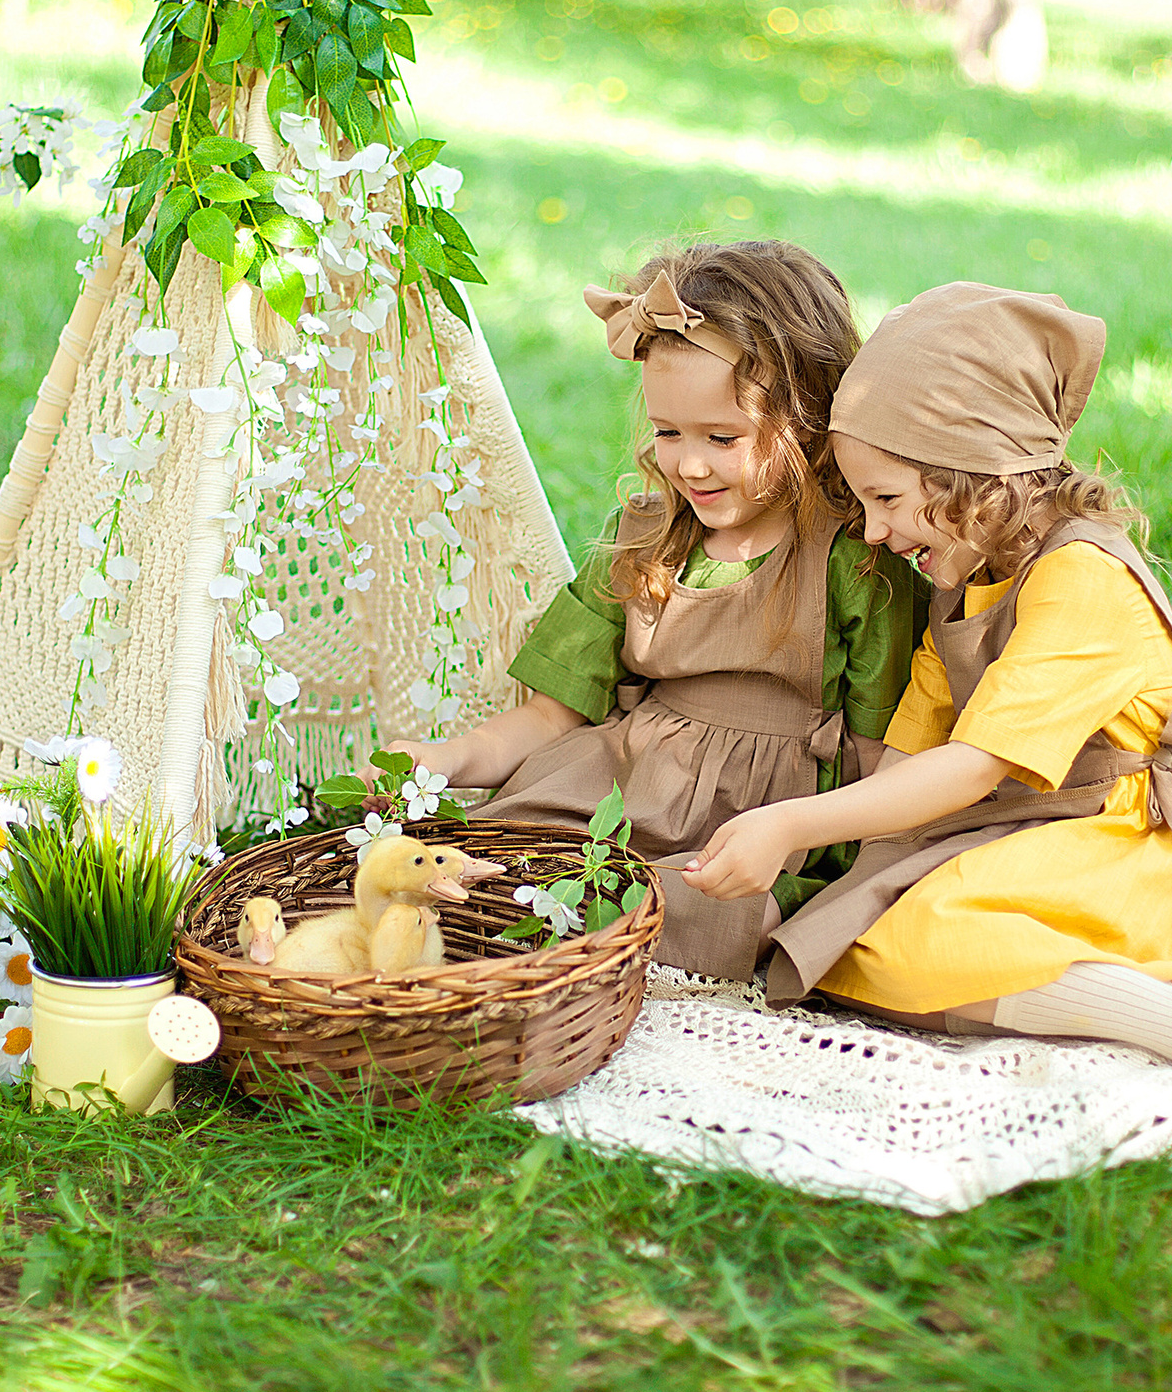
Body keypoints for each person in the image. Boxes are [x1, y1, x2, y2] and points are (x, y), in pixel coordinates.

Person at [676, 281, 1172, 1097]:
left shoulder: (1082, 578)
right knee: (854, 937)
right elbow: (907, 756)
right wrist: (849, 875)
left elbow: (969, 767)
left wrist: (792, 822)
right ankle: (1012, 962)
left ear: (973, 476)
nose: (873, 531)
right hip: (1039, 820)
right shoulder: (973, 577)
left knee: (931, 936)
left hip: (1135, 840)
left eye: (887, 499)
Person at [383, 241, 924, 978]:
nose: (689, 464)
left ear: (807, 417)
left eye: (722, 438)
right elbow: (550, 717)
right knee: (501, 866)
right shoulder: (646, 535)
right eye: (669, 432)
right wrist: (443, 761)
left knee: (683, 911)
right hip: (614, 792)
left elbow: (880, 757)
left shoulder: (854, 558)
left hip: (749, 829)